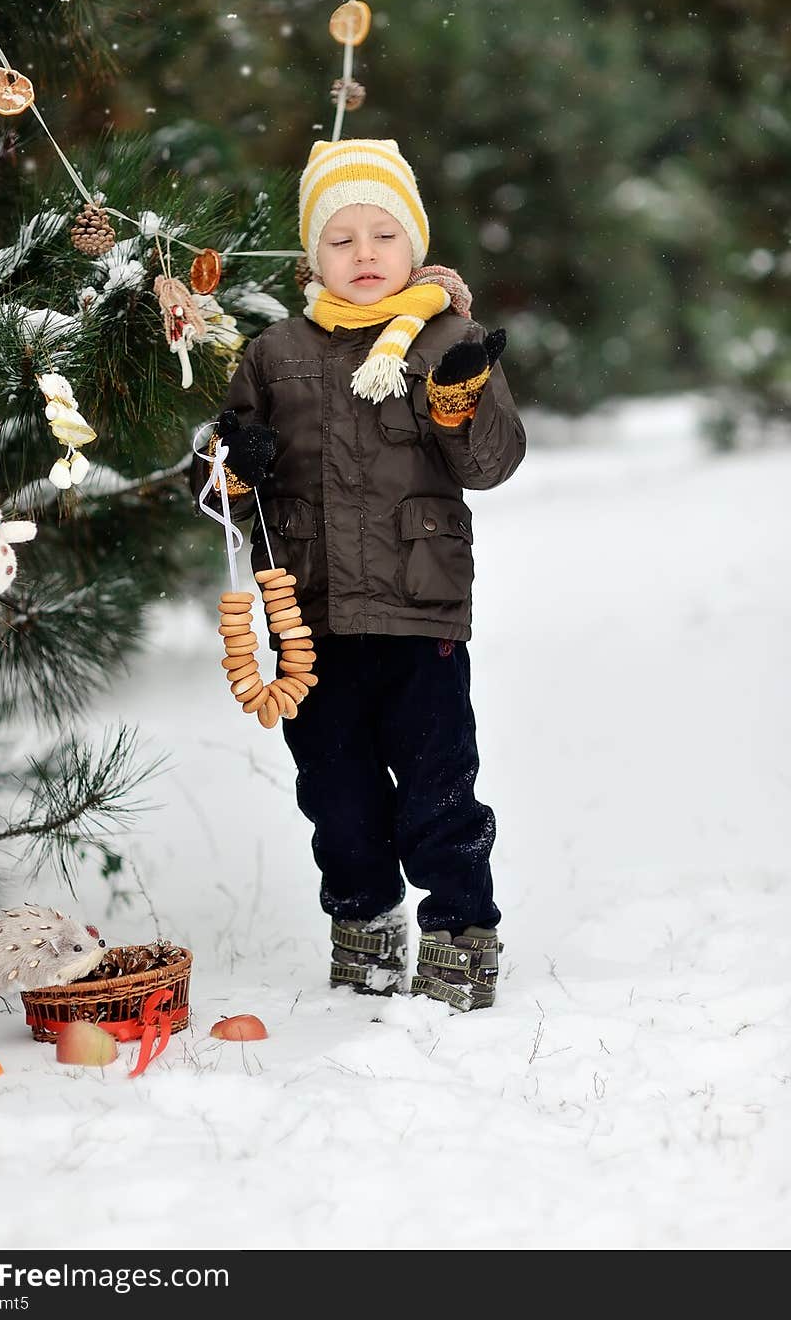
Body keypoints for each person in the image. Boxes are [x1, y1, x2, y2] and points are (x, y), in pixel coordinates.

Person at [192, 138, 525, 1012]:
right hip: (312, 616)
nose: (365, 254)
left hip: (421, 611)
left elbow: (489, 462)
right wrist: (233, 461)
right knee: (334, 792)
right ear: (313, 258)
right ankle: (365, 919)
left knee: (437, 784)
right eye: (342, 239)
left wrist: (461, 400)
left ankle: (460, 928)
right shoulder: (274, 355)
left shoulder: (449, 339)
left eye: (384, 234)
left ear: (414, 245)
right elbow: (219, 485)